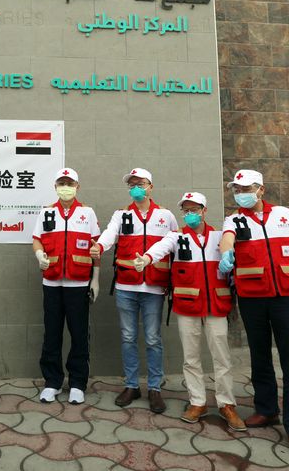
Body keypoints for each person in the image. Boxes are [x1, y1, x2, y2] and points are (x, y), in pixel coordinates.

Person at [218, 169, 289, 458]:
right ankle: (266, 410)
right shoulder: (234, 219)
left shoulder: (284, 215)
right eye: (236, 190)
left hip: (286, 299)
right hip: (252, 298)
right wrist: (227, 253)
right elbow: (227, 239)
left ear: (261, 189)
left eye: (246, 188)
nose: (240, 194)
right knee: (259, 356)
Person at [140, 191, 245, 431]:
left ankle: (226, 404)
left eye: (194, 210)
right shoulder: (176, 238)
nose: (190, 214)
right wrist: (145, 259)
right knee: (191, 358)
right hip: (187, 306)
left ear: (204, 211)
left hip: (216, 306)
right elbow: (159, 248)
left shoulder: (220, 237)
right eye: (186, 210)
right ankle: (197, 402)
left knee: (222, 357)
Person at [90, 168, 176, 413]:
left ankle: (155, 388)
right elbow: (109, 234)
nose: (136, 187)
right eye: (132, 184)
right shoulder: (122, 215)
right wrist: (100, 246)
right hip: (126, 285)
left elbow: (175, 245)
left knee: (152, 339)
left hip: (154, 287)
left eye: (140, 183)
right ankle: (131, 385)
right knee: (128, 337)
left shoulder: (166, 216)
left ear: (151, 186)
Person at [32, 168, 100, 405]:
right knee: (52, 333)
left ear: (77, 187)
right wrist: (39, 254)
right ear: (55, 187)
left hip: (79, 283)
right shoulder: (46, 212)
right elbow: (37, 239)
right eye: (61, 183)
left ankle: (78, 383)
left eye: (69, 183)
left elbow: (95, 247)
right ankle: (52, 382)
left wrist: (96, 277)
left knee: (79, 334)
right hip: (51, 282)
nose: (65, 187)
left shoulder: (87, 213)